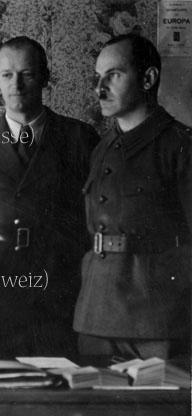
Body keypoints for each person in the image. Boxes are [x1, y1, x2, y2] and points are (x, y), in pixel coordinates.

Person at [0, 36, 100, 358]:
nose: (16, 85)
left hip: (57, 280)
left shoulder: (79, 137)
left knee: (58, 370)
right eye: (7, 75)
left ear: (44, 77)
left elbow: (93, 212)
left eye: (27, 74)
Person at [74, 34, 191, 359]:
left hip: (158, 318)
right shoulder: (102, 149)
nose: (99, 89)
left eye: (113, 75)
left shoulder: (180, 146)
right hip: (96, 314)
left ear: (148, 79)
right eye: (98, 77)